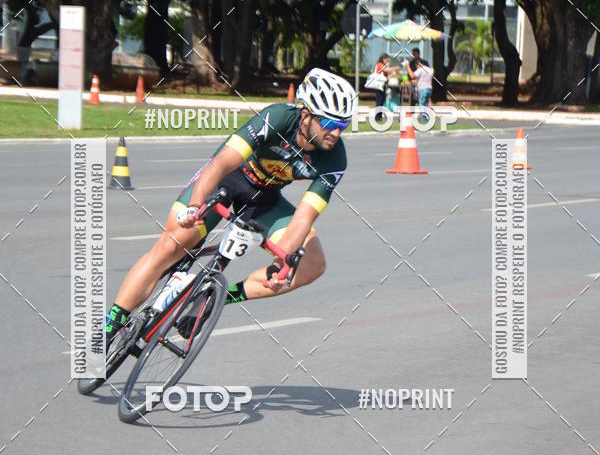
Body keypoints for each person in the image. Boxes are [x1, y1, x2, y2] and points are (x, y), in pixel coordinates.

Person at [105, 68, 355, 345]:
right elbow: (222, 162)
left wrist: (279, 265)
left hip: (264, 198)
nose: (335, 133)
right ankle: (111, 323)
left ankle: (214, 299)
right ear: (306, 114)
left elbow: (304, 217)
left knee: (311, 264)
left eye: (343, 126)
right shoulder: (279, 118)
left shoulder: (335, 159)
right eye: (330, 124)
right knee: (173, 244)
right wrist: (195, 207)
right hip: (227, 180)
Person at [371, 53, 400, 121]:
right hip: (379, 85)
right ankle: (377, 116)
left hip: (383, 85)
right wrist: (396, 68)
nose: (387, 61)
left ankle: (380, 115)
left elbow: (386, 77)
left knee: (382, 100)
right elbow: (386, 70)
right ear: (383, 58)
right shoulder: (380, 64)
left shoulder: (383, 65)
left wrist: (392, 75)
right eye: (387, 59)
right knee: (379, 100)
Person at [405, 55, 433, 123]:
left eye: (417, 65)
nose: (417, 67)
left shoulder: (421, 69)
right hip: (429, 89)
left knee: (422, 105)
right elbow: (426, 80)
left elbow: (412, 75)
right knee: (426, 105)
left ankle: (423, 121)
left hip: (422, 89)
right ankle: (427, 119)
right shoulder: (430, 70)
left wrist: (407, 66)